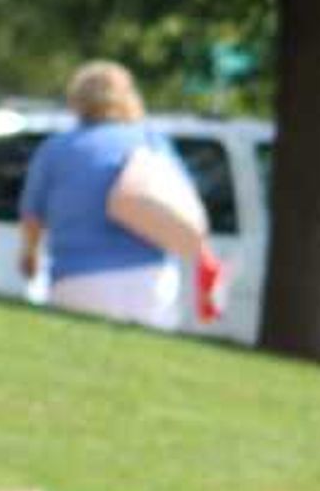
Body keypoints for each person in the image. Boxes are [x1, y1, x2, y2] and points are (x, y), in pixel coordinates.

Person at [17, 60, 221, 328]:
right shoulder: (149, 140)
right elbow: (181, 204)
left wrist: (29, 256)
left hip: (76, 278)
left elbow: (33, 215)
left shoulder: (56, 149)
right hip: (148, 277)